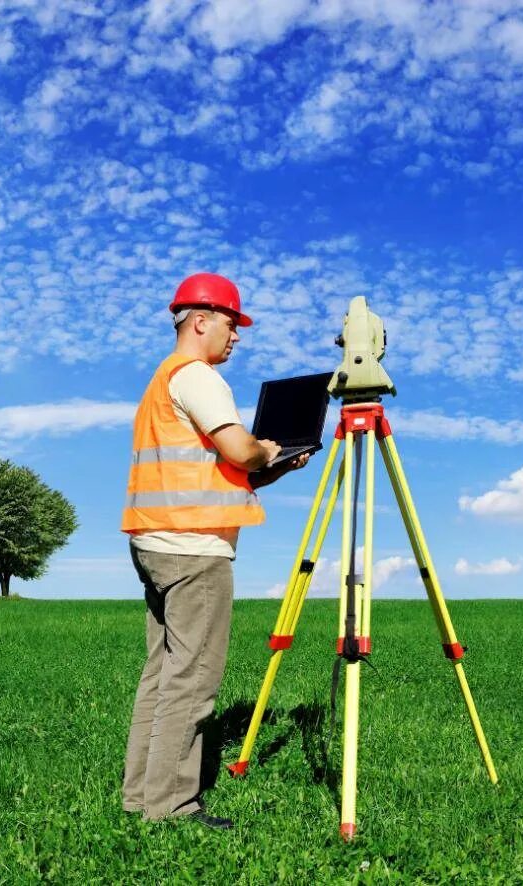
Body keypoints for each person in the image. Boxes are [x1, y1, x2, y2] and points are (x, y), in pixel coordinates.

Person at [120, 272, 308, 829]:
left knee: (161, 678)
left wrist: (268, 464)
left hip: (157, 543)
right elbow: (239, 451)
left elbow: (221, 474)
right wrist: (263, 449)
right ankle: (173, 808)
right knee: (193, 683)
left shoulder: (163, 381)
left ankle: (141, 797)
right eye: (232, 324)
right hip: (194, 553)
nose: (237, 336)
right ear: (200, 321)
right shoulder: (198, 377)